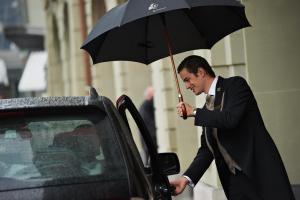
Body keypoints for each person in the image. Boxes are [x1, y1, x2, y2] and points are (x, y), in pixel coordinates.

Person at [171, 55, 295, 200]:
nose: (186, 86)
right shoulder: (207, 107)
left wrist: (194, 112)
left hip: (258, 173)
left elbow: (230, 119)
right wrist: (185, 179)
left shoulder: (236, 85)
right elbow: (207, 150)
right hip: (234, 183)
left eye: (187, 79)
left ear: (200, 72)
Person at [139, 86, 157, 165]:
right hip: (149, 139)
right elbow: (149, 124)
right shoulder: (146, 106)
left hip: (148, 138)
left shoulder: (145, 106)